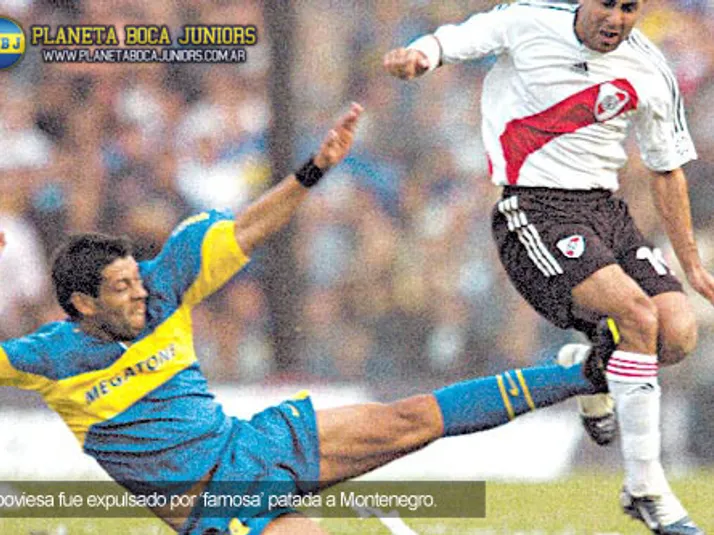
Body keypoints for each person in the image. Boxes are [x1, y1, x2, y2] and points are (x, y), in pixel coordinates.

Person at [2, 103, 610, 535]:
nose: (139, 293)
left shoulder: (165, 283)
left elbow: (249, 227)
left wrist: (313, 170)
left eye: (136, 278)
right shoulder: (46, 358)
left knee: (409, 419)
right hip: (214, 508)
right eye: (121, 289)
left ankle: (586, 373)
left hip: (253, 446)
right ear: (83, 304)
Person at [383, 1, 714, 534]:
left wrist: (692, 266)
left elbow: (666, 169)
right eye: (607, 4)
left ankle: (588, 367)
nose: (616, 18)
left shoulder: (651, 68)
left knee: (677, 334)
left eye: (629, 8)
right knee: (635, 315)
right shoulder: (529, 20)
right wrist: (421, 55)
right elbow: (460, 38)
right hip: (535, 207)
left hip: (606, 211)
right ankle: (646, 488)